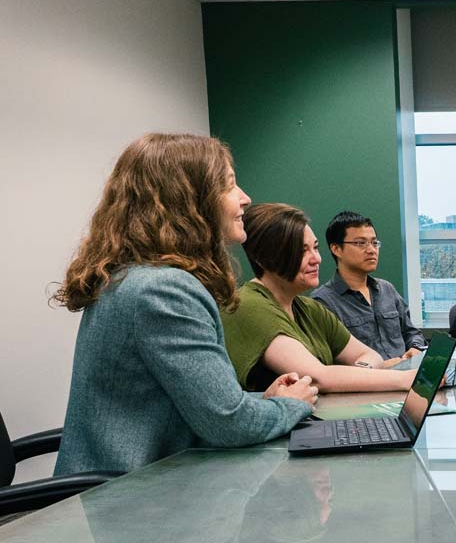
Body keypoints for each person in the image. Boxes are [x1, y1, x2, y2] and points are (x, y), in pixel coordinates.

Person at [52, 134, 317, 475]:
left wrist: (262, 401)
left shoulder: (133, 278)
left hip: (127, 490)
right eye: (230, 185)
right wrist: (289, 407)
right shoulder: (165, 290)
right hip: (127, 502)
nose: (245, 198)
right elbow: (227, 423)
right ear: (190, 201)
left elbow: (202, 406)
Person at [221, 203, 418, 393]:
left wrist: (359, 372)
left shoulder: (308, 308)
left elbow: (369, 355)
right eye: (301, 250)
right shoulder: (248, 305)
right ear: (264, 258)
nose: (316, 259)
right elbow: (317, 377)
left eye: (315, 248)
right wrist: (408, 378)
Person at [311, 210, 425, 361]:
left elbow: (411, 332)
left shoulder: (387, 289)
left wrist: (415, 348)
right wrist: (380, 368)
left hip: (407, 375)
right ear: (336, 249)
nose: (371, 250)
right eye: (360, 243)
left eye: (374, 243)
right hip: (369, 382)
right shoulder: (322, 302)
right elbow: (328, 363)